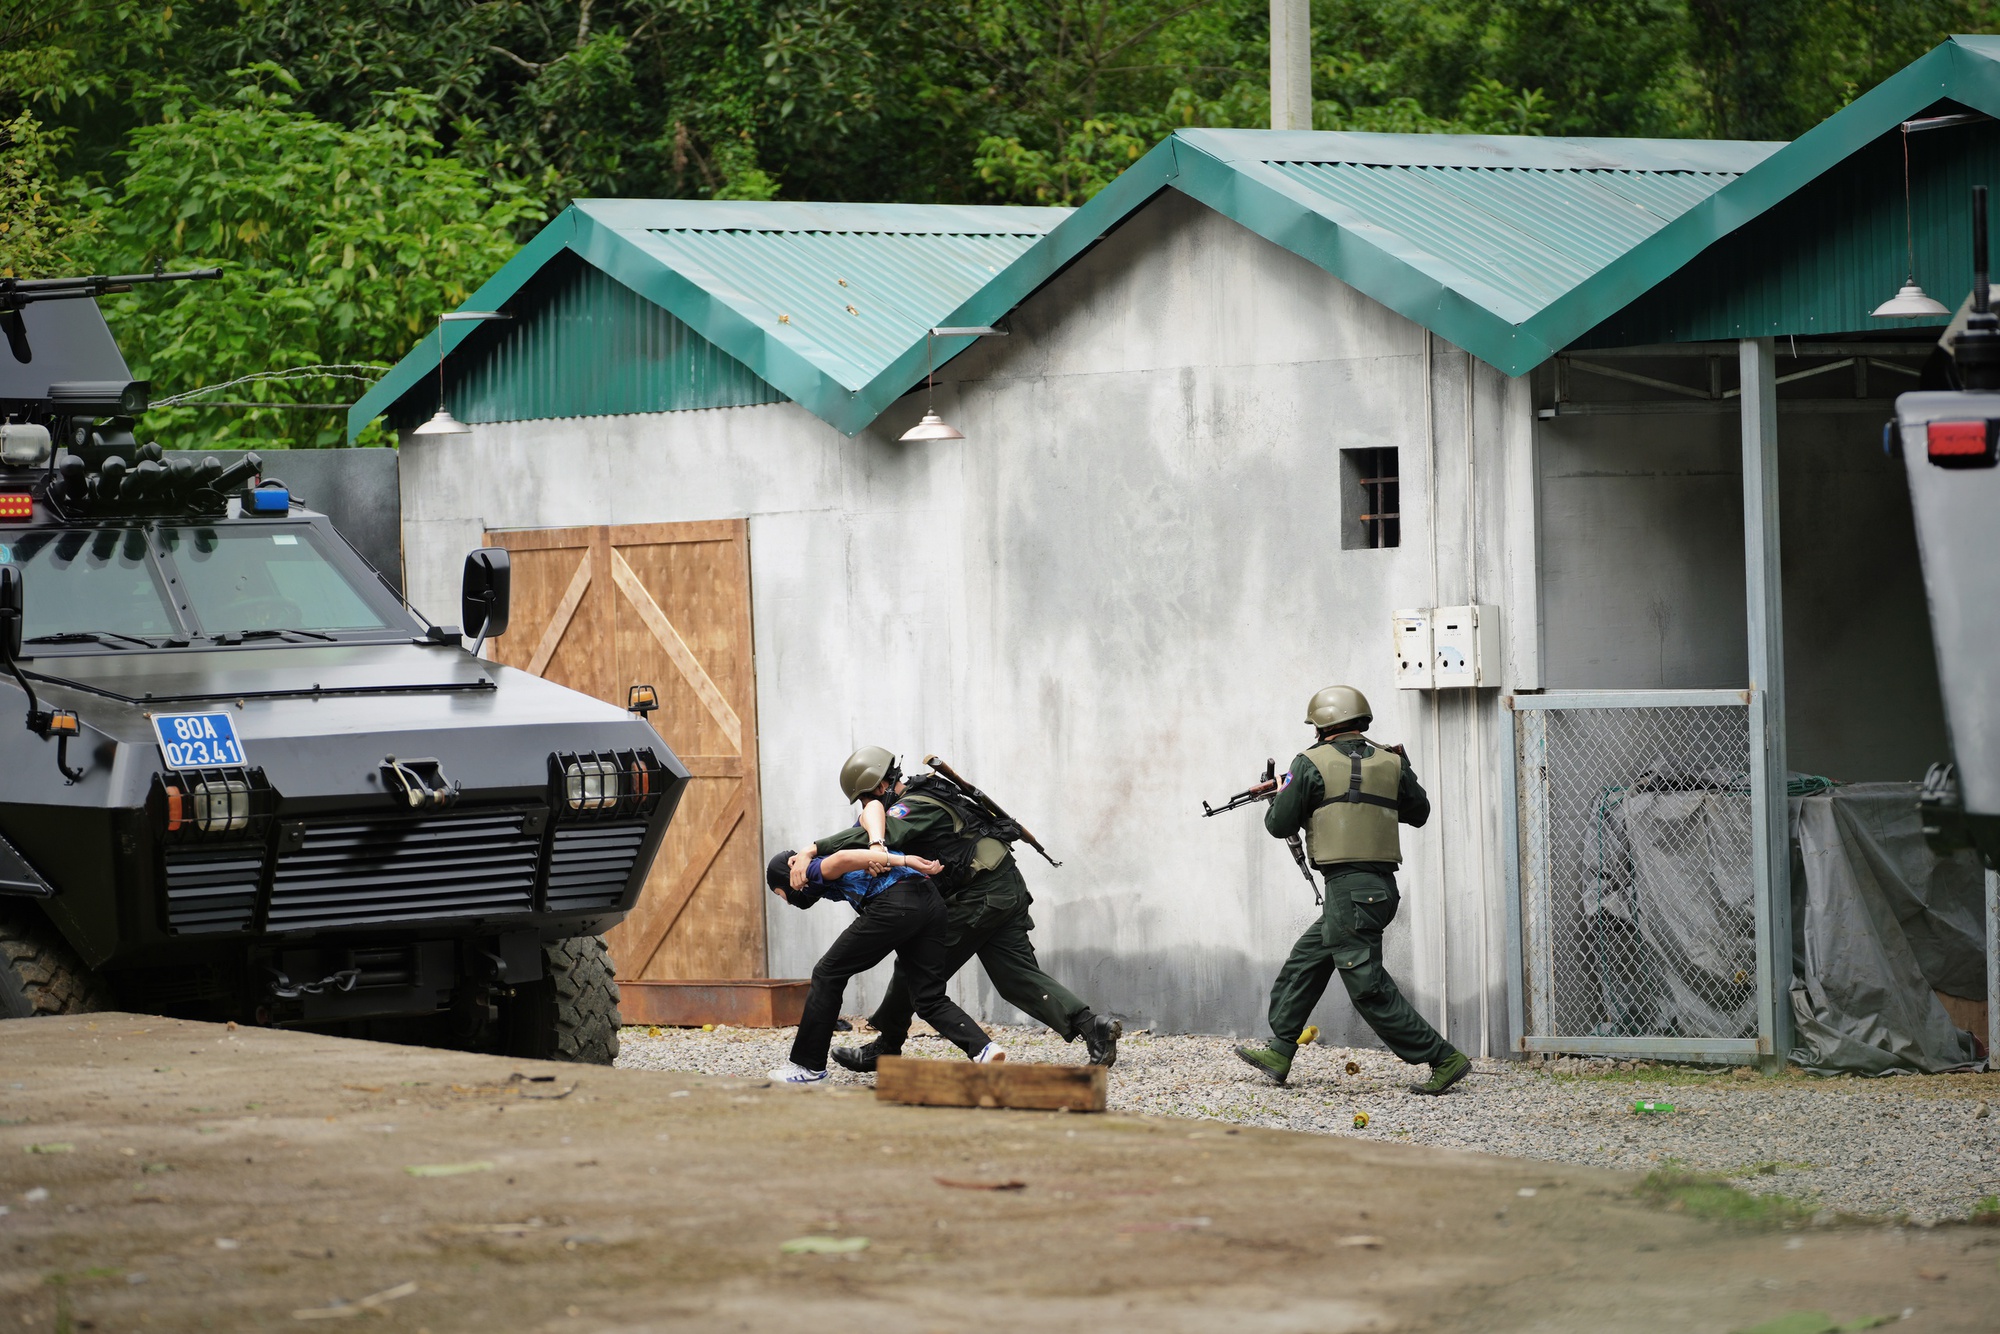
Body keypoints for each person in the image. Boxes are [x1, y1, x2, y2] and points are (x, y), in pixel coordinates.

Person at [792, 746, 1121, 1073]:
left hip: (978, 897)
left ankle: (887, 1046)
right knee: (1015, 976)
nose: (867, 806)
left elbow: (869, 838)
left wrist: (813, 849)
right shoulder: (930, 793)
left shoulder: (911, 808)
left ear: (879, 787)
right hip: (1004, 888)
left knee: (914, 966)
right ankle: (1094, 1027)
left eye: (865, 799)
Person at [1235, 686, 1471, 1096]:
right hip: (1378, 889)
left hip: (1348, 889)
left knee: (1368, 987)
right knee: (1306, 963)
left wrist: (1282, 796)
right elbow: (1419, 812)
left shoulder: (1308, 763)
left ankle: (1443, 1057)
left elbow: (1279, 825)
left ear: (1323, 724)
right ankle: (1280, 1049)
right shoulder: (1392, 760)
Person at [764, 843, 1003, 1085]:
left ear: (784, 878)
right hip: (930, 902)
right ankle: (983, 1049)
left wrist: (905, 859)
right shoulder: (831, 851)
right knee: (928, 996)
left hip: (896, 902)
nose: (785, 901)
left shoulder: (812, 868)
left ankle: (808, 1068)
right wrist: (879, 844)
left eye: (779, 893)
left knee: (827, 973)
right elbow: (871, 814)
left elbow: (843, 859)